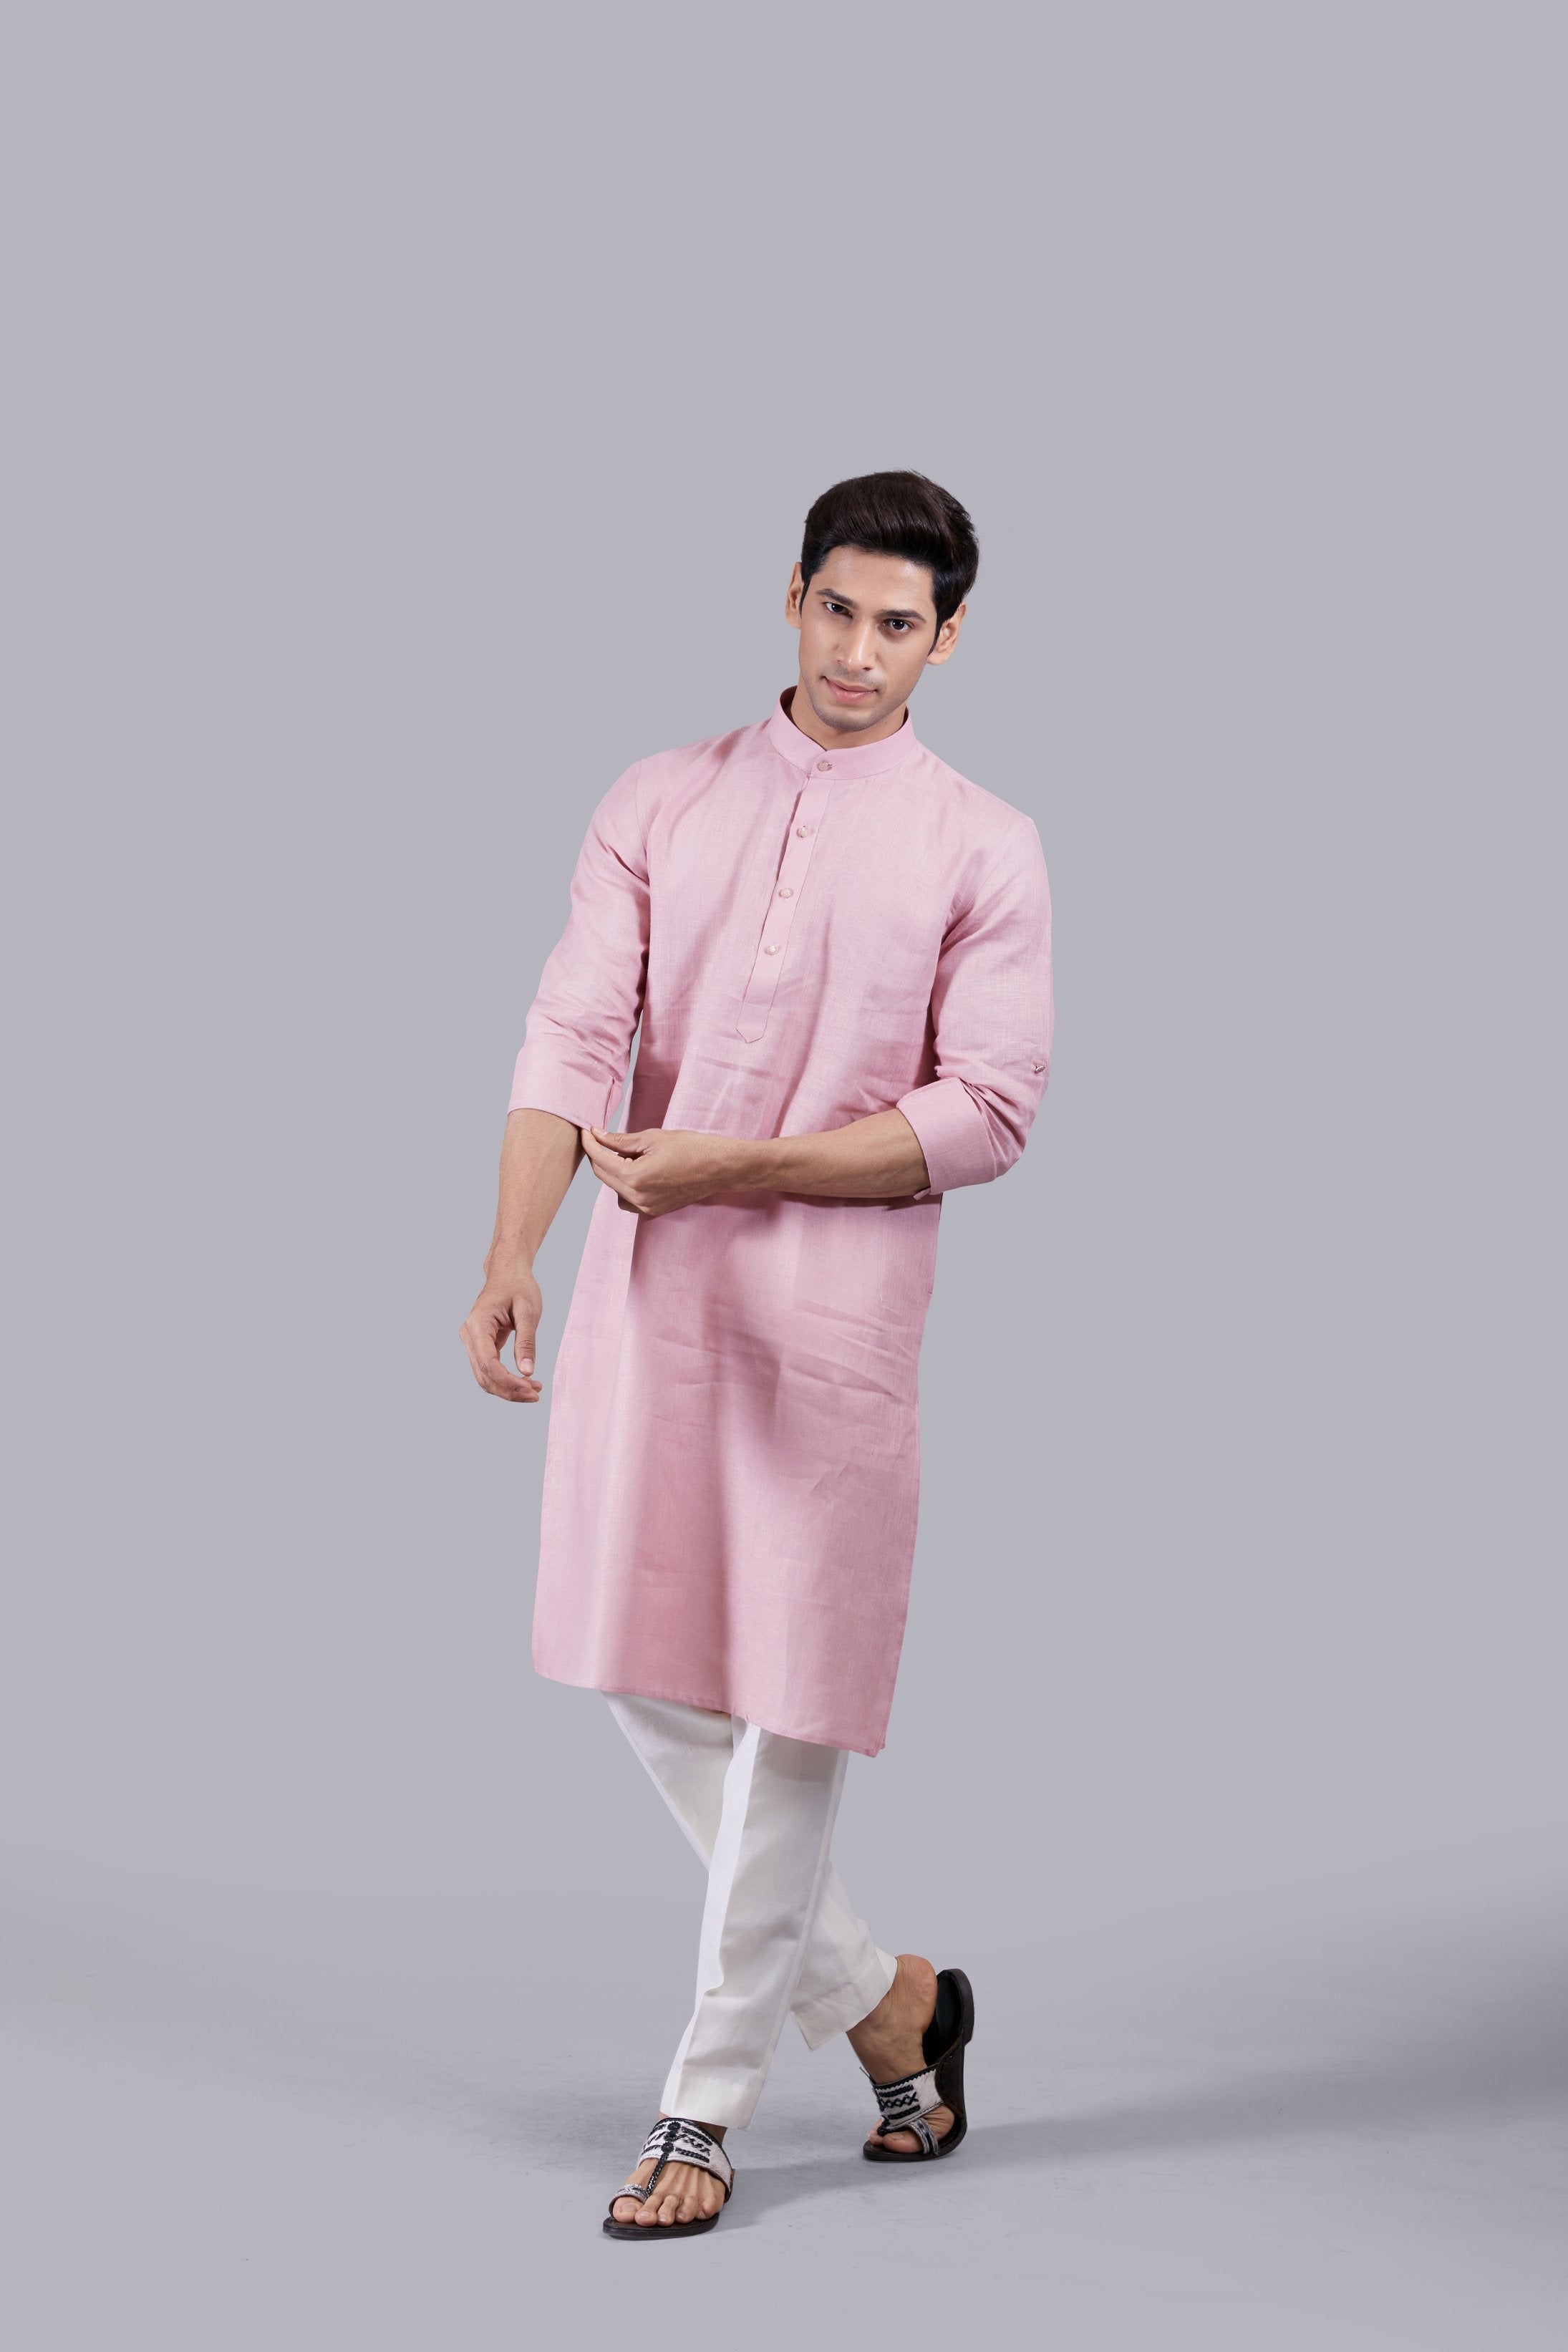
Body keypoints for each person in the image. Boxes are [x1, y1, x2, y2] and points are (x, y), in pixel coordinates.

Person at [460, 470, 1053, 2239]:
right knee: (646, 1668)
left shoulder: (984, 844)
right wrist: (513, 1248)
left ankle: (703, 2103)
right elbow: (575, 1027)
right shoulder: (660, 797)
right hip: (656, 1301)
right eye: (836, 610)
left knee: (791, 1704)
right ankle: (890, 2001)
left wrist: (744, 1165)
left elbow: (989, 1110)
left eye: (899, 625)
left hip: (834, 1326)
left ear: (951, 637)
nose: (859, 653)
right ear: (790, 597)